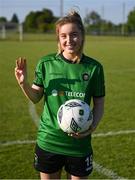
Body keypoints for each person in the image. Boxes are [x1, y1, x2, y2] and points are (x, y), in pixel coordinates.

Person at [15, 10, 105, 180]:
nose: (69, 40)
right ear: (59, 38)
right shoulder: (46, 63)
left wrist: (90, 128)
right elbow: (35, 97)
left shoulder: (94, 68)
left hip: (79, 144)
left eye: (74, 35)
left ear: (82, 36)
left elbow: (99, 104)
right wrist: (24, 83)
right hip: (49, 141)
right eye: (63, 36)